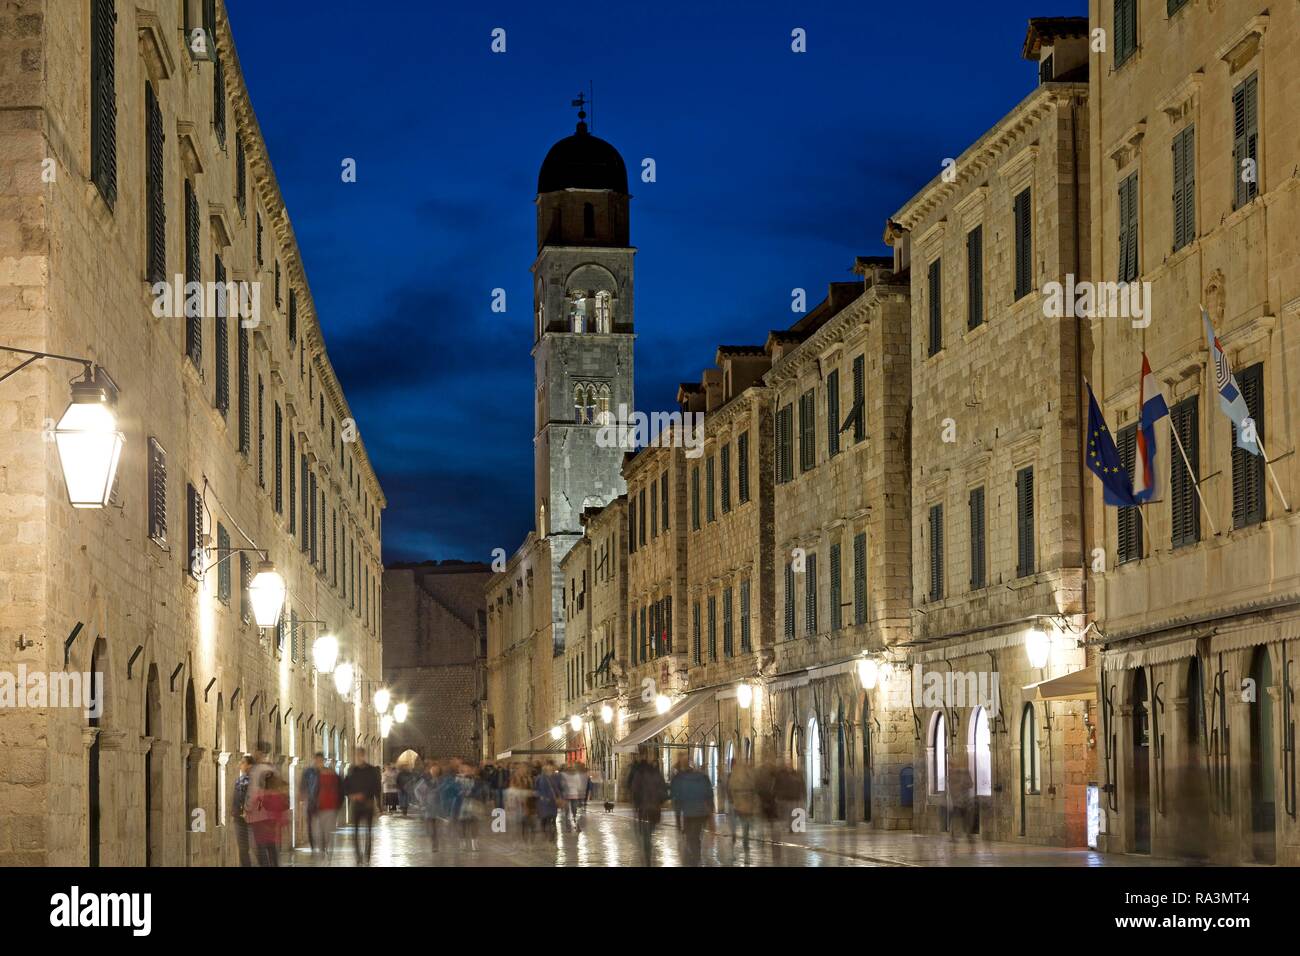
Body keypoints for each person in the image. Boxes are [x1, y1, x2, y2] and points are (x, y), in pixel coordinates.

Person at [627, 749, 668, 866]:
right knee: (649, 831)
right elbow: (663, 791)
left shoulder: (637, 771)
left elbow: (632, 788)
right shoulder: (656, 772)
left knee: (646, 834)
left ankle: (648, 855)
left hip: (643, 808)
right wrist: (659, 802)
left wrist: (636, 804)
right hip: (654, 808)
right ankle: (648, 851)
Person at [670, 759, 714, 866]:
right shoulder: (702, 777)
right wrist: (710, 812)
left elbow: (678, 799)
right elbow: (709, 794)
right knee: (697, 836)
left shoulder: (683, 780)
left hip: (689, 814)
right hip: (701, 813)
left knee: (691, 837)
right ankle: (696, 856)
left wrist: (678, 820)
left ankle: (695, 858)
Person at [343, 748, 382, 864]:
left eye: (360, 755)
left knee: (368, 832)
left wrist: (378, 805)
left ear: (364, 755)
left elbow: (376, 787)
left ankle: (367, 856)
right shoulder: (352, 770)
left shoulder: (371, 770)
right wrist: (352, 795)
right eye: (357, 755)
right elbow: (346, 786)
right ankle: (358, 857)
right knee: (355, 832)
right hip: (356, 805)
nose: (359, 757)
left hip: (368, 804)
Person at [250, 772, 290, 867]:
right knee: (273, 855)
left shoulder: (260, 795)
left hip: (261, 830)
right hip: (272, 831)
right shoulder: (279, 796)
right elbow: (283, 812)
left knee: (264, 856)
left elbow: (253, 809)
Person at [313, 753, 343, 858]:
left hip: (330, 806)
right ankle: (323, 848)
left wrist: (338, 805)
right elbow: (315, 791)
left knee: (327, 830)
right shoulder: (316, 775)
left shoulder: (333, 776)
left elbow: (340, 790)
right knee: (321, 830)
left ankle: (327, 848)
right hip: (321, 806)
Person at [726, 757, 758, 851]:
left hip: (736, 803)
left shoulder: (731, 776)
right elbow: (754, 788)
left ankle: (735, 835)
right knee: (744, 824)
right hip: (743, 804)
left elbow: (728, 789)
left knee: (736, 821)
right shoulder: (748, 776)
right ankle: (745, 841)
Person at [414, 761, 443, 854]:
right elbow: (417, 790)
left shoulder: (441, 780)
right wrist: (422, 800)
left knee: (437, 827)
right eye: (433, 770)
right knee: (432, 827)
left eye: (436, 770)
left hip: (439, 807)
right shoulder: (426, 781)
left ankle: (436, 842)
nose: (435, 772)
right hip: (429, 807)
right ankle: (434, 843)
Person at [231, 754, 253, 867]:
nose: (240, 764)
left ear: (250, 765)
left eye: (243, 762)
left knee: (246, 849)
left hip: (248, 819)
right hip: (239, 818)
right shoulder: (240, 780)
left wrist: (247, 811)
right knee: (243, 849)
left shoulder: (253, 781)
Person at [300, 755, 321, 852]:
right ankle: (313, 844)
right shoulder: (308, 772)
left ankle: (320, 842)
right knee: (310, 824)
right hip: (310, 801)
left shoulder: (324, 772)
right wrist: (303, 796)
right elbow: (303, 784)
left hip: (321, 802)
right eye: (317, 760)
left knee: (320, 823)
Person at [535, 761, 561, 836]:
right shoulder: (540, 778)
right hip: (543, 802)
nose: (550, 770)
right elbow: (537, 789)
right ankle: (544, 832)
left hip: (553, 802)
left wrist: (560, 797)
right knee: (545, 818)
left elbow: (559, 789)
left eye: (551, 768)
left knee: (553, 818)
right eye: (548, 768)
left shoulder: (556, 777)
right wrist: (541, 797)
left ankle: (552, 835)